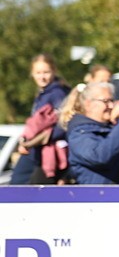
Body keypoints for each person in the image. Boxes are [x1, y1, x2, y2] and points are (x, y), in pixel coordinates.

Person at [13, 54, 72, 185]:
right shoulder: (43, 93)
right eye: (38, 72)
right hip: (37, 150)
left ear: (54, 71)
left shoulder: (57, 93)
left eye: (46, 72)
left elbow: (64, 122)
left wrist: (39, 139)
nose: (42, 77)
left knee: (22, 188)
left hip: (49, 153)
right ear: (32, 73)